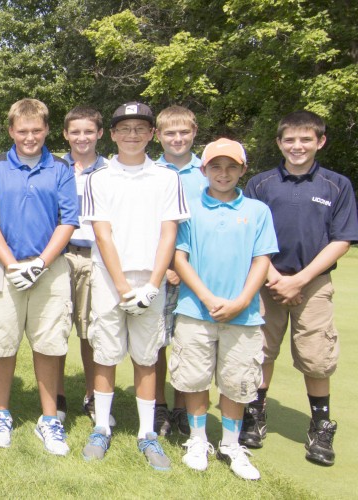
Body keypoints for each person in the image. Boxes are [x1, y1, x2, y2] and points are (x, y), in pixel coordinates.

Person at [243, 110, 358, 466]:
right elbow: (249, 234)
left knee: (316, 357)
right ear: (279, 142)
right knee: (261, 351)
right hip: (266, 281)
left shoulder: (336, 185)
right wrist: (275, 277)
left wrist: (300, 279)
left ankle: (320, 426)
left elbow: (342, 240)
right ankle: (255, 415)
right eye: (289, 140)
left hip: (313, 283)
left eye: (306, 139)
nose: (297, 146)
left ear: (320, 141)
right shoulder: (261, 184)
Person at [80, 102, 189, 470]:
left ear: (151, 134)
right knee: (105, 354)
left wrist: (154, 285)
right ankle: (100, 428)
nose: (132, 135)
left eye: (140, 129)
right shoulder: (100, 177)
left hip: (150, 279)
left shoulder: (167, 177)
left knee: (147, 356)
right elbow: (102, 233)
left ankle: (147, 434)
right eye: (124, 129)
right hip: (110, 279)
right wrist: (125, 288)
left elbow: (168, 233)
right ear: (111, 134)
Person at [0, 99, 78, 454]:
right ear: (11, 131)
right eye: (23, 131)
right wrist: (11, 263)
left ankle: (49, 420)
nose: (30, 137)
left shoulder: (60, 168)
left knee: (49, 344)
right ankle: (2, 413)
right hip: (4, 270)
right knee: (2, 343)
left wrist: (41, 263)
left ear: (47, 130)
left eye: (37, 130)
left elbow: (68, 219)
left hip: (50, 270)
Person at [173, 138, 276, 480]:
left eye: (232, 166)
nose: (223, 173)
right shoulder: (189, 208)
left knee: (236, 381)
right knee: (195, 377)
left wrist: (244, 300)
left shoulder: (257, 211)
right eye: (216, 166)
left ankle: (231, 444)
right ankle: (198, 439)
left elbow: (262, 258)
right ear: (203, 170)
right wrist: (206, 297)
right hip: (195, 309)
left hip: (243, 313)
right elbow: (179, 257)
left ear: (243, 170)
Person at [153, 105, 205, 436]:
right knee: (157, 341)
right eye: (170, 133)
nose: (177, 138)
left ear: (194, 133)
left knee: (188, 342)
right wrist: (168, 265)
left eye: (184, 132)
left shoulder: (207, 172)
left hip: (196, 272)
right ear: (158, 136)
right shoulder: (150, 171)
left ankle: (183, 407)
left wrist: (182, 266)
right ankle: (157, 406)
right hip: (159, 269)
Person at [60, 106, 110, 425]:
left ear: (100, 134)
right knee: (56, 327)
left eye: (88, 131)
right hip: (62, 254)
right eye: (75, 131)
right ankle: (57, 397)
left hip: (98, 257)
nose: (82, 137)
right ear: (65, 134)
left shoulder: (112, 170)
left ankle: (92, 397)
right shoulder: (54, 167)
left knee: (92, 332)